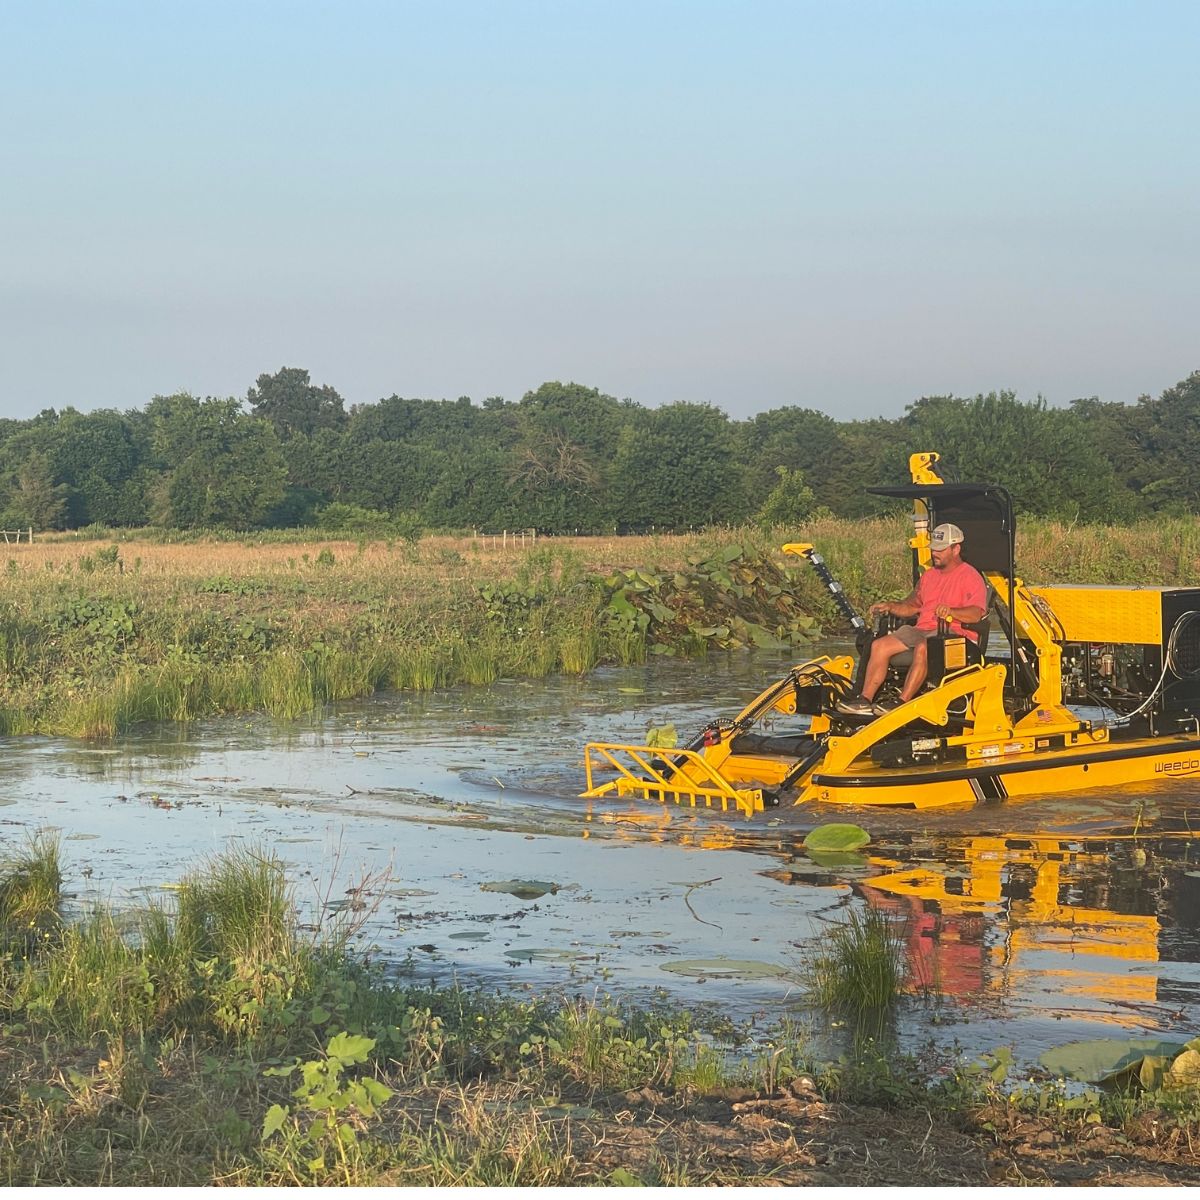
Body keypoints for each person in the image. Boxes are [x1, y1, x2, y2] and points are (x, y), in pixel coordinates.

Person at [836, 522, 987, 717]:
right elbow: (912, 606)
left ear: (956, 549)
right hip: (922, 630)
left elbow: (976, 614)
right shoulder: (929, 576)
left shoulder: (971, 576)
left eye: (940, 550)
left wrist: (952, 611)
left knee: (923, 645)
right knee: (880, 645)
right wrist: (890, 606)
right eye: (933, 549)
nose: (935, 553)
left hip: (954, 636)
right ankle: (865, 699)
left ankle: (902, 701)